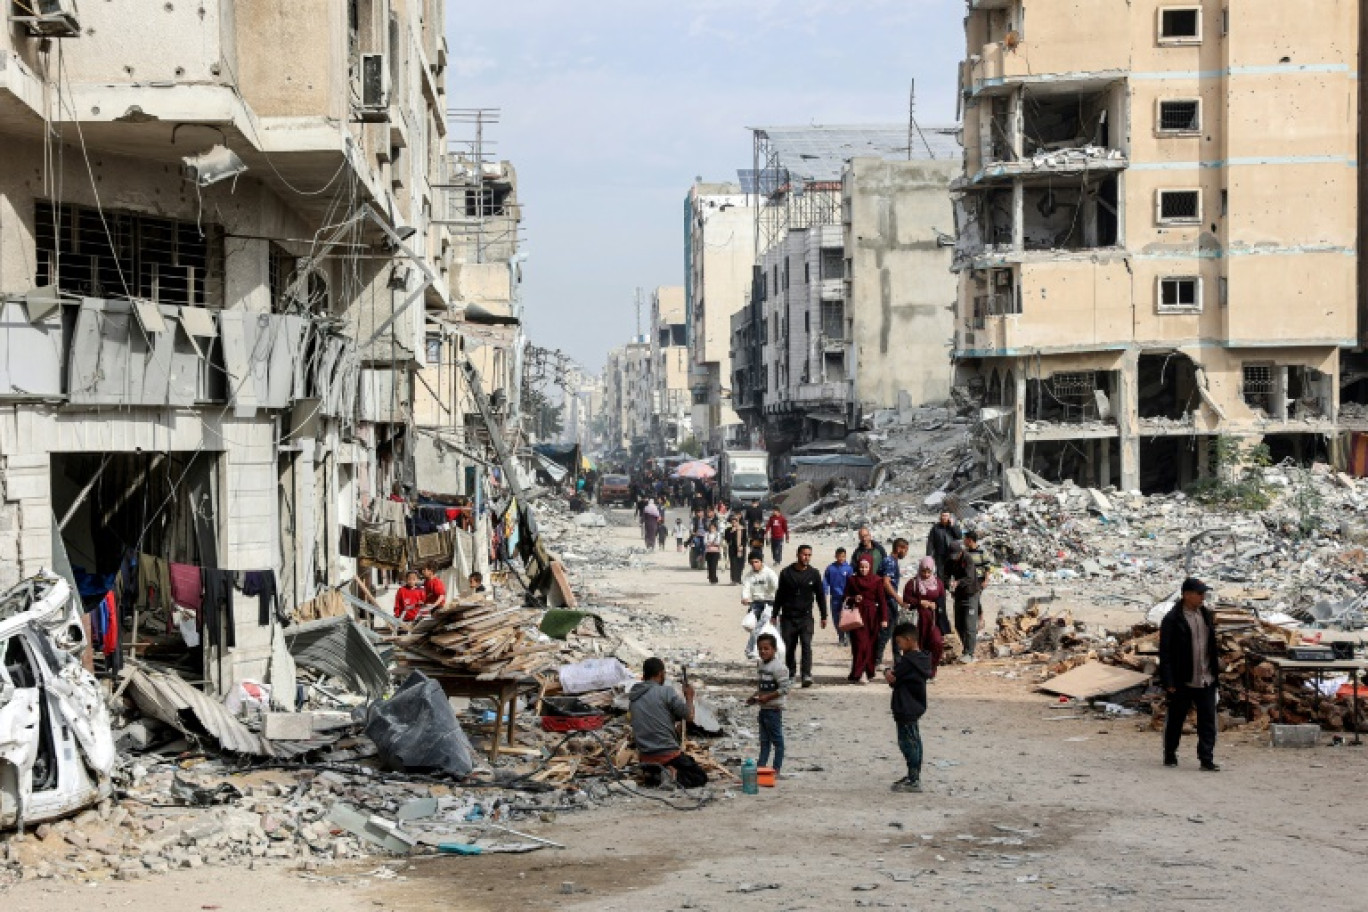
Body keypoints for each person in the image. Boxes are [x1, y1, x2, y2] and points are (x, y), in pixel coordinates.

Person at [1159, 578, 1221, 771]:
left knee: (1207, 721)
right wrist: (1168, 680)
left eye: (1204, 594)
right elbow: (1166, 652)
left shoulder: (1205, 615)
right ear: (1187, 595)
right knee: (1176, 719)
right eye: (1199, 593)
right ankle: (1170, 754)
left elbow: (1211, 646)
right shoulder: (1172, 619)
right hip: (1183, 679)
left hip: (1206, 678)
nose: (1203, 597)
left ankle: (1206, 758)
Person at [628, 657, 708, 788]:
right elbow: (689, 716)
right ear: (660, 674)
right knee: (699, 776)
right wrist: (689, 697)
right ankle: (671, 775)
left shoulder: (634, 696)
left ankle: (655, 776)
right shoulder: (665, 692)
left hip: (645, 757)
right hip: (666, 754)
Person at [884, 621, 934, 793]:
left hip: (905, 707)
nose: (899, 646)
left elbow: (894, 678)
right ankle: (913, 775)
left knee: (908, 743)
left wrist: (887, 673)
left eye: (899, 642)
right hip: (914, 706)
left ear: (908, 640)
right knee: (915, 741)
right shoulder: (922, 659)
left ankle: (914, 779)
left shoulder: (909, 661)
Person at [774, 544, 828, 688]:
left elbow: (820, 596)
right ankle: (791, 674)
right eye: (804, 554)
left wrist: (824, 615)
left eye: (809, 555)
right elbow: (779, 595)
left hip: (806, 617)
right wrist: (774, 614)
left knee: (806, 644)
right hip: (788, 616)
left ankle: (806, 674)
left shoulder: (814, 574)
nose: (806, 557)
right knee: (789, 646)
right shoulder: (786, 573)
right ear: (798, 555)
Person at [746, 632, 791, 774]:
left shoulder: (779, 668)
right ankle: (761, 767)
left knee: (777, 742)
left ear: (774, 649)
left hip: (773, 709)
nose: (763, 651)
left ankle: (776, 768)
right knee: (764, 741)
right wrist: (754, 697)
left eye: (766, 649)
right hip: (764, 709)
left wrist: (768, 697)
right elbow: (761, 687)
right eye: (760, 649)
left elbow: (785, 688)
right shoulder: (761, 665)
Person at [842, 555, 889, 683]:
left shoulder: (877, 580)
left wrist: (884, 618)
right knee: (859, 644)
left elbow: (882, 600)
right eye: (861, 567)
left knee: (870, 645)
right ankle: (859, 672)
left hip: (872, 616)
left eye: (866, 567)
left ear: (871, 567)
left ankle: (868, 671)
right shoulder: (852, 580)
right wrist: (853, 599)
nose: (863, 570)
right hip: (857, 615)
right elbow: (845, 596)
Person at [903, 557, 945, 675]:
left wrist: (935, 605)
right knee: (915, 646)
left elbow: (941, 600)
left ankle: (931, 669)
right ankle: (914, 671)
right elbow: (906, 598)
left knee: (936, 643)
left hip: (932, 621)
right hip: (917, 620)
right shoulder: (913, 583)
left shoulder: (938, 583)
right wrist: (919, 602)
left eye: (929, 572)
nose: (926, 575)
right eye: (923, 571)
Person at [876, 538, 910, 667]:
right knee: (886, 632)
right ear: (899, 548)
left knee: (896, 632)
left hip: (890, 601)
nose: (905, 553)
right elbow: (886, 582)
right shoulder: (890, 562)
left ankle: (898, 660)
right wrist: (898, 599)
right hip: (887, 602)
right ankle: (877, 660)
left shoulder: (893, 561)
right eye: (905, 550)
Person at [740, 553, 780, 658]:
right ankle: (752, 649)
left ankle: (758, 650)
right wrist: (745, 597)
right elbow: (746, 588)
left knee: (765, 628)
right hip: (756, 604)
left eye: (756, 562)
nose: (754, 565)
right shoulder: (749, 576)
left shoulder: (769, 573)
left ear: (761, 561)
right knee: (750, 625)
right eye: (752, 562)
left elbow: (777, 586)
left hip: (770, 603)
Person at [823, 548, 855, 646]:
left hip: (846, 597)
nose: (841, 558)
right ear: (835, 556)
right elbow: (825, 581)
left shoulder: (849, 568)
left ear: (845, 557)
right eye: (839, 556)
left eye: (843, 556)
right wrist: (825, 592)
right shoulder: (830, 568)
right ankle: (841, 637)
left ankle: (848, 637)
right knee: (836, 618)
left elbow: (852, 582)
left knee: (847, 618)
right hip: (835, 597)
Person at [926, 511, 962, 584]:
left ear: (949, 517)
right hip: (940, 554)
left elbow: (959, 536)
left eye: (946, 516)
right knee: (940, 573)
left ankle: (950, 588)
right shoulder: (935, 528)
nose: (945, 517)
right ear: (940, 517)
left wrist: (953, 526)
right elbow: (930, 542)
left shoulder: (953, 526)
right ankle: (941, 590)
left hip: (952, 554)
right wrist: (929, 555)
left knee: (952, 572)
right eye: (943, 516)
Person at [726, 514, 747, 584]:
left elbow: (745, 539)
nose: (734, 523)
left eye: (735, 522)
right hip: (732, 549)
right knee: (733, 564)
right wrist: (732, 532)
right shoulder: (728, 530)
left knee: (740, 564)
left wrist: (742, 546)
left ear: (738, 522)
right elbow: (727, 539)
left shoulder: (743, 529)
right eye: (733, 522)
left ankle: (739, 579)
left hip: (741, 549)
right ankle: (734, 580)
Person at [703, 520, 723, 584]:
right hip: (708, 551)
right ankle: (711, 577)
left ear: (715, 528)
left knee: (714, 565)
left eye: (713, 528)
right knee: (709, 565)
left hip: (715, 552)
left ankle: (714, 578)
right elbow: (705, 542)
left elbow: (718, 542)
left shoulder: (718, 534)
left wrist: (711, 543)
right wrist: (711, 543)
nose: (712, 529)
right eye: (710, 527)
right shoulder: (707, 534)